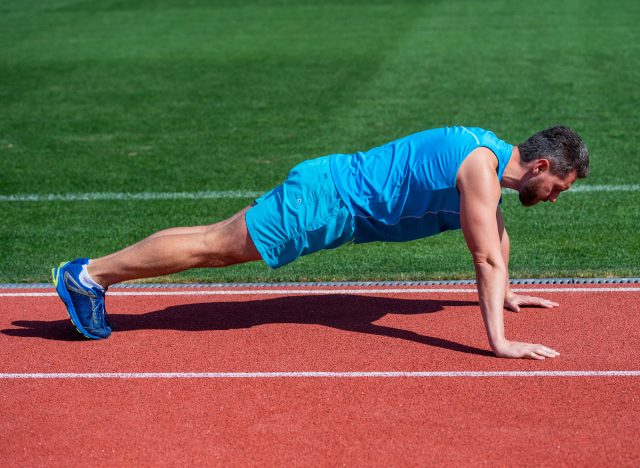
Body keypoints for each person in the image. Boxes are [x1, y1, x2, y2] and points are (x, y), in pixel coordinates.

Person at [52, 125, 589, 359]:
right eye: (558, 188)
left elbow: (497, 234)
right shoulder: (480, 169)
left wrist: (507, 293)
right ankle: (89, 276)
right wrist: (499, 340)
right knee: (213, 246)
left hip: (330, 195)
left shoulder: (489, 159)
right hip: (327, 202)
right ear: (541, 166)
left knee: (211, 239)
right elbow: (485, 254)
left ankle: (92, 274)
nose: (553, 198)